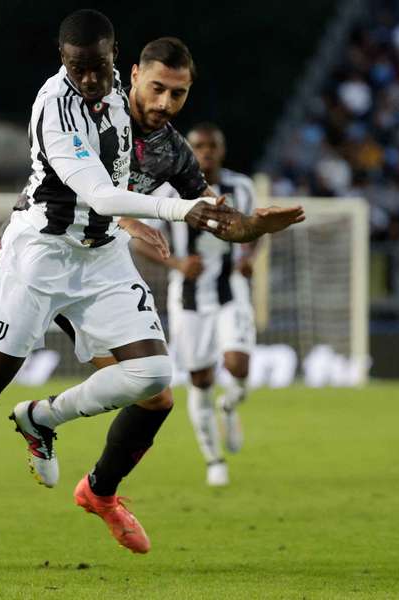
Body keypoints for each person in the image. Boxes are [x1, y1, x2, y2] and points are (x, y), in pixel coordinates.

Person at [0, 9, 304, 569]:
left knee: (153, 380)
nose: (163, 102)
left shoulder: (154, 128)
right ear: (83, 65)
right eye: (157, 89)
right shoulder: (57, 105)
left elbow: (212, 214)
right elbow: (101, 192)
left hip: (100, 260)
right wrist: (172, 211)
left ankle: (54, 436)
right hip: (38, 255)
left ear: (117, 63)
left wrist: (250, 225)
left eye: (177, 93)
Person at [133, 124, 257, 486]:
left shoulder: (241, 188)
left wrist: (250, 255)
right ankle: (213, 459)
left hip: (230, 288)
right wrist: (177, 264)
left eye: (212, 146)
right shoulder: (168, 189)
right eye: (199, 145)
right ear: (189, 148)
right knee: (200, 378)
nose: (206, 152)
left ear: (222, 150)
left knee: (238, 363)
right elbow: (139, 239)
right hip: (188, 296)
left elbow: (256, 230)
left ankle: (230, 405)